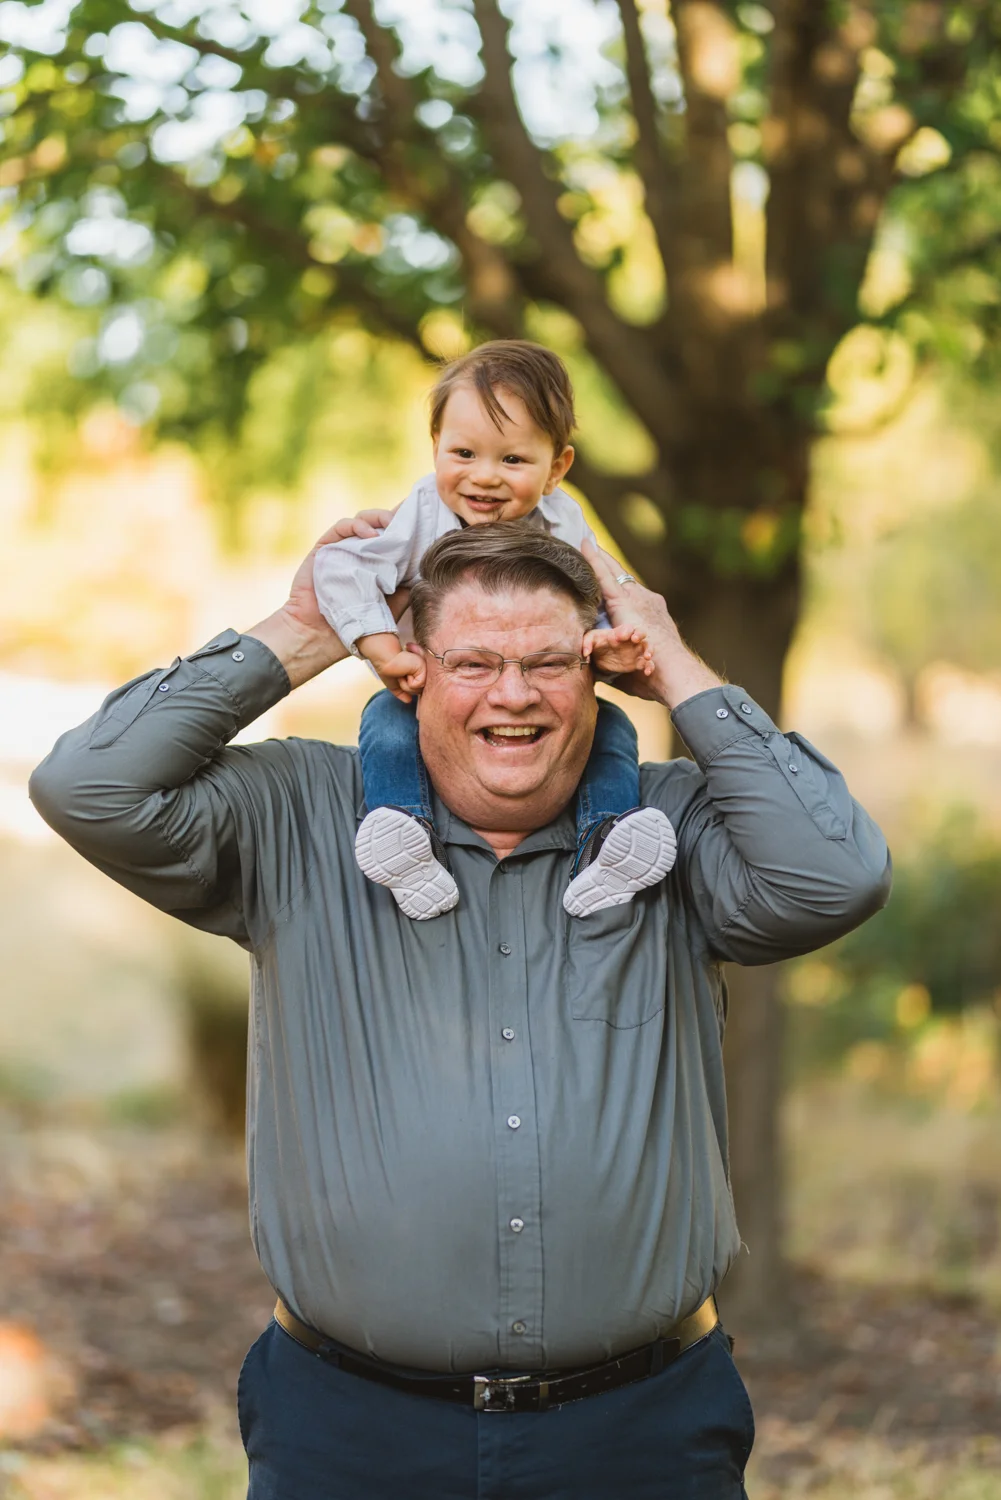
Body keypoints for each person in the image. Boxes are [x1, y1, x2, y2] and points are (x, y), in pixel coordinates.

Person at [30, 523, 891, 1500]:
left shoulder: (670, 829)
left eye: (547, 662)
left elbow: (837, 877)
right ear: (411, 674)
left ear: (599, 671)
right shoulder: (302, 814)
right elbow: (88, 787)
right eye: (473, 661)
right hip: (350, 1437)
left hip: (638, 1437)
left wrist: (680, 666)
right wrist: (308, 627)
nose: (512, 694)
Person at [312, 339, 677, 921]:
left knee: (611, 727)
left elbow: (603, 591)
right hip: (435, 685)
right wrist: (383, 651)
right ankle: (402, 829)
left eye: (512, 460)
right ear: (435, 448)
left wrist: (609, 641)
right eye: (464, 453)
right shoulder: (424, 513)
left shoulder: (564, 522)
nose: (485, 479)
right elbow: (339, 568)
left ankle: (608, 841)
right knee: (385, 722)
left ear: (557, 468)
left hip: (545, 685)